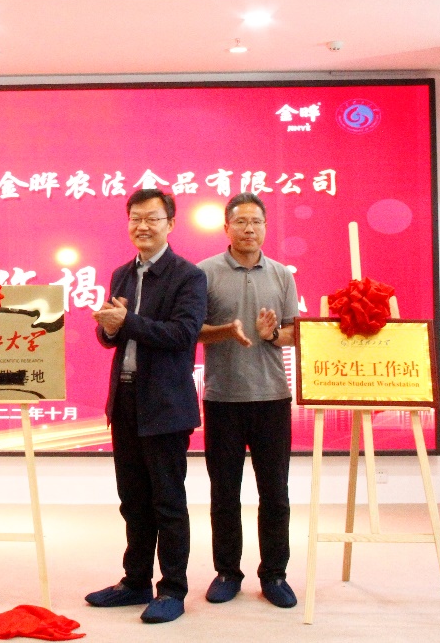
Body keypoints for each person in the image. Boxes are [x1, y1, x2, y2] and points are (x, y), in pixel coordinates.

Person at [85, 188, 207, 625]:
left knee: (168, 501)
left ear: (170, 224)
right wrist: (109, 328)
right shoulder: (121, 274)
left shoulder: (188, 276)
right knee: (133, 499)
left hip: (166, 403)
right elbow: (113, 336)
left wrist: (128, 321)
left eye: (152, 218)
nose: (142, 226)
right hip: (125, 399)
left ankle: (172, 589)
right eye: (135, 218)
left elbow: (183, 335)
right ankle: (135, 581)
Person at [197, 193, 299, 609]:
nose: (249, 229)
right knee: (224, 491)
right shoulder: (204, 273)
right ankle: (227, 572)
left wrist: (271, 334)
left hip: (272, 396)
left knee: (275, 492)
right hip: (223, 397)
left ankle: (274, 574)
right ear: (226, 227)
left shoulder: (281, 274)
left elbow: (294, 332)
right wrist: (226, 330)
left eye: (256, 222)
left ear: (265, 227)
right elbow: (192, 330)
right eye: (240, 222)